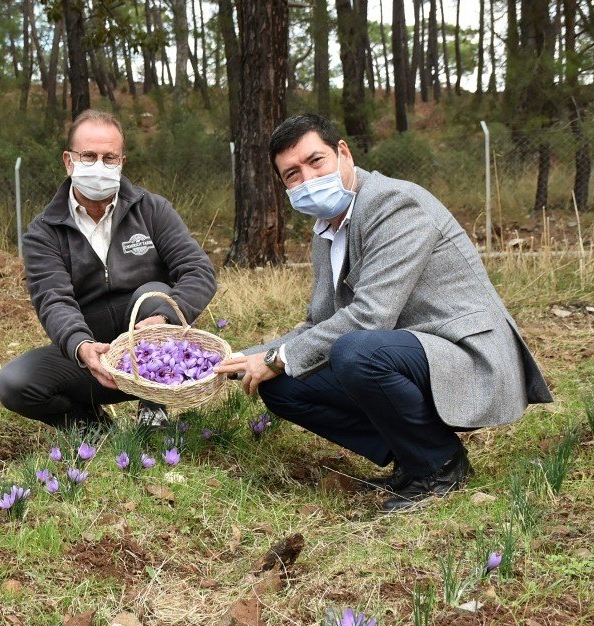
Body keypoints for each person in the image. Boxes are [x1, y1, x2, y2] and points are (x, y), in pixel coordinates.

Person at [215, 114, 552, 511]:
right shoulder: (326, 228)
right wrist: (242, 357)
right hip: (405, 353)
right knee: (281, 384)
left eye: (316, 161)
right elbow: (318, 323)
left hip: (465, 356)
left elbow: (369, 318)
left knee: (354, 352)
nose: (307, 180)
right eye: (292, 174)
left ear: (343, 152)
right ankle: (413, 454)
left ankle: (440, 465)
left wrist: (276, 357)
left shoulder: (395, 203)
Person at [0, 109, 217, 431]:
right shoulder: (44, 232)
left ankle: (153, 403)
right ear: (68, 161)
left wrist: (164, 323)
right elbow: (54, 300)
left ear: (122, 163)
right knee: (15, 383)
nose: (99, 166)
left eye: (109, 157)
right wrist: (82, 347)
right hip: (94, 352)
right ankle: (92, 426)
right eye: (88, 155)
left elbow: (198, 269)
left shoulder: (152, 209)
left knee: (153, 294)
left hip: (152, 349)